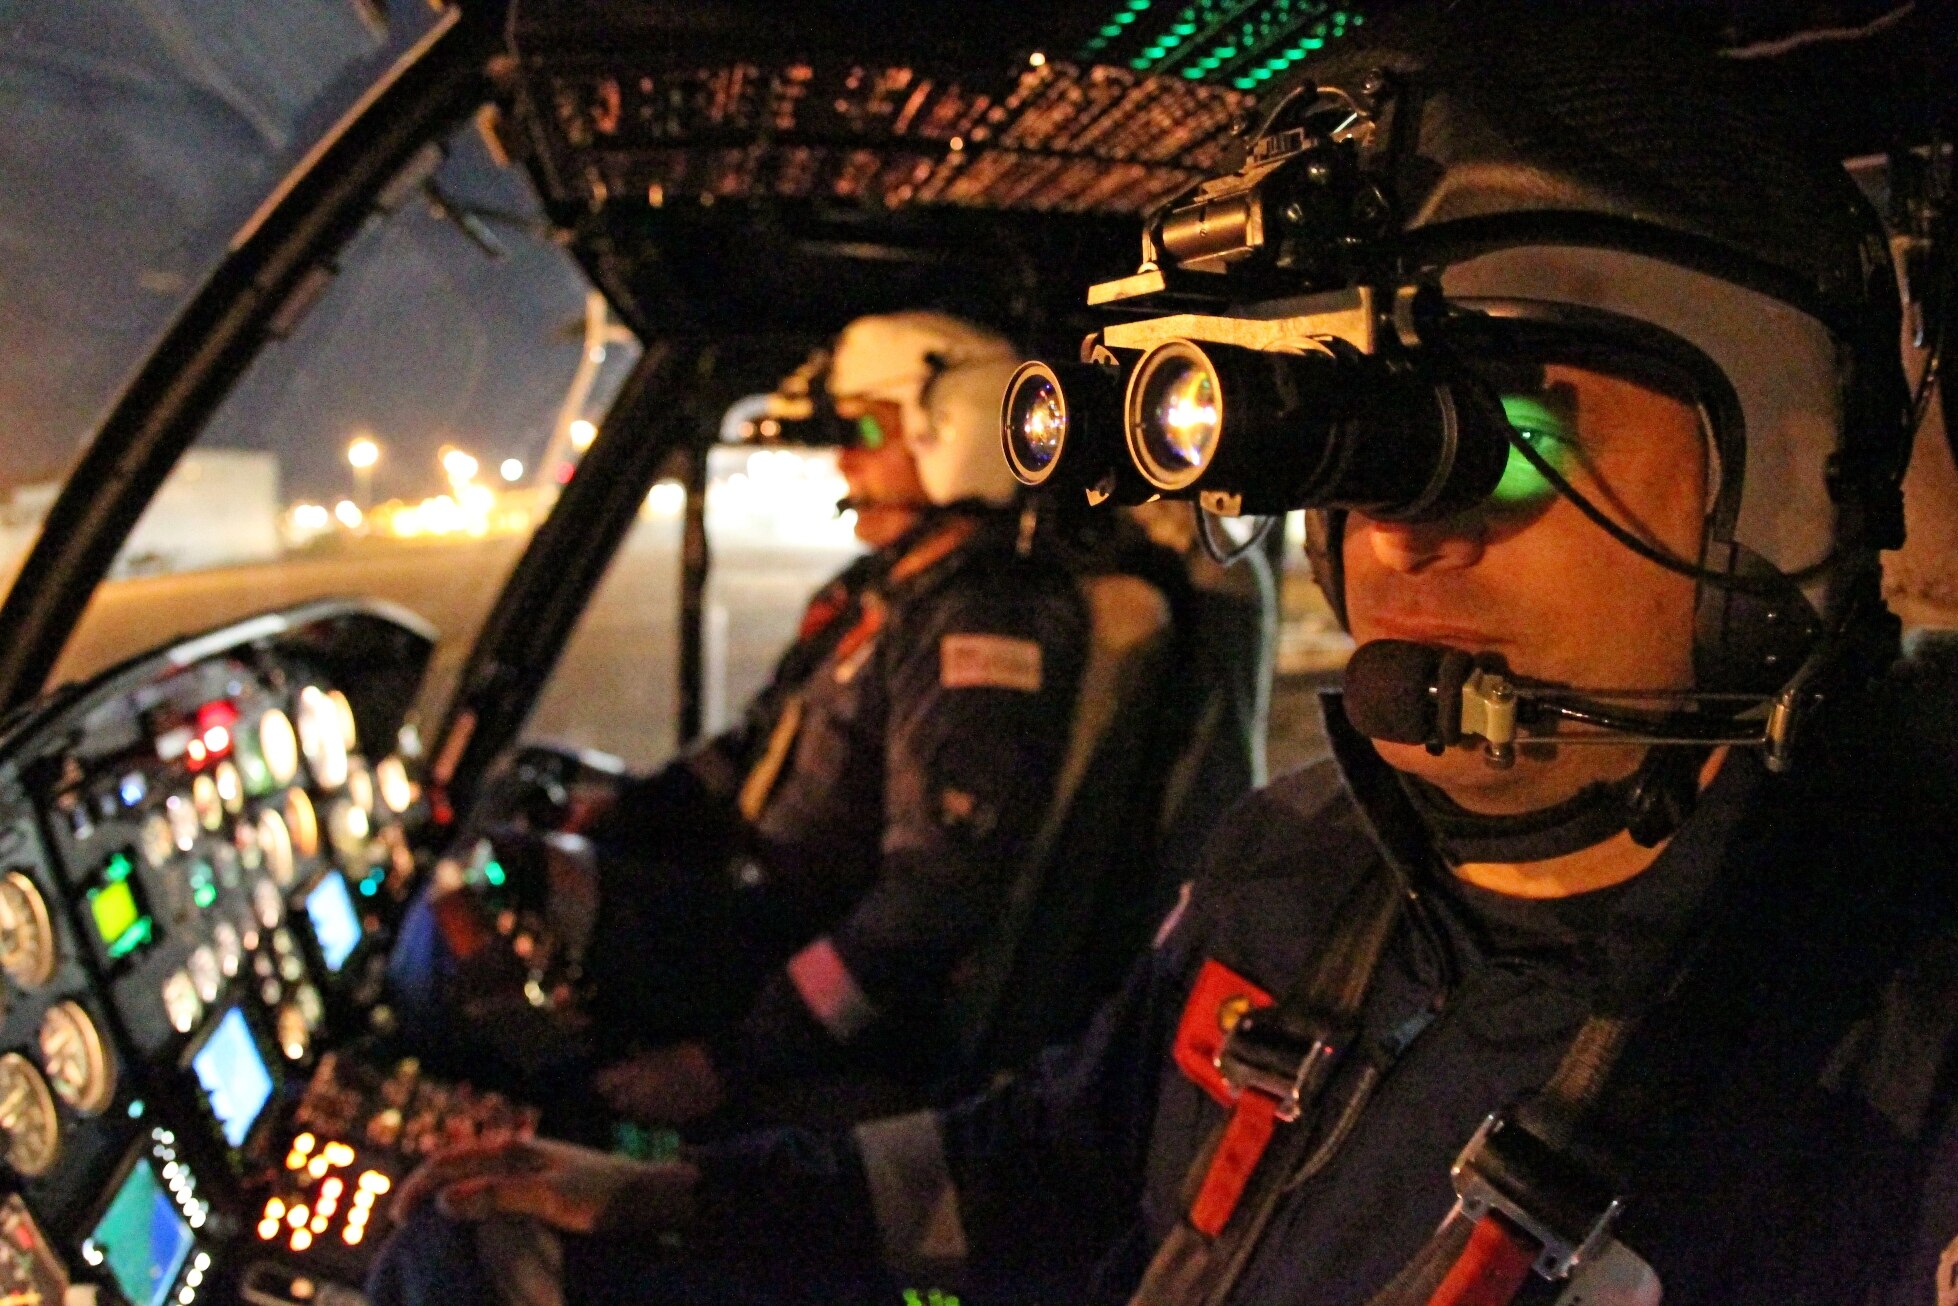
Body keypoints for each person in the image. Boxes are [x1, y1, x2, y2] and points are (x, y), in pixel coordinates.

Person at [369, 11, 1958, 1306]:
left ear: (1792, 483)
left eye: (1506, 432)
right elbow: (1052, 1167)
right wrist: (672, 1203)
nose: (1402, 534)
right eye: (1362, 454)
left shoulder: (1887, 1060)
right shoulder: (1302, 858)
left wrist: (724, 1064)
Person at [403, 310, 1128, 1131]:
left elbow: (932, 899)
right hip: (747, 907)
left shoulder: (987, 618)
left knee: (472, 917)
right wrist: (620, 817)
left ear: (953, 431)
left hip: (791, 965)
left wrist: (731, 1059)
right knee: (515, 832)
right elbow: (749, 745)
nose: (844, 458)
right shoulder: (881, 590)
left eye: (862, 428)